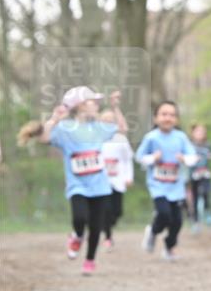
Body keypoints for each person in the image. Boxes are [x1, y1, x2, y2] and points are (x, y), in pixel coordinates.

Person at [20, 87, 127, 275]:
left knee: (95, 227)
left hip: (100, 186)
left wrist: (115, 107)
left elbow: (123, 129)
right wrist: (55, 118)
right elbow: (44, 137)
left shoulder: (98, 128)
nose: (97, 104)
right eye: (92, 101)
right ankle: (77, 236)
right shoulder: (65, 128)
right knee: (80, 218)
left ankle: (90, 260)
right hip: (78, 185)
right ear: (80, 105)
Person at [136, 101, 198, 261]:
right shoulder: (151, 137)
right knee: (164, 214)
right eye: (164, 114)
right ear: (156, 118)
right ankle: (153, 231)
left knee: (177, 221)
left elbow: (193, 156)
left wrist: (184, 158)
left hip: (176, 186)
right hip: (157, 185)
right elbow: (139, 156)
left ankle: (169, 247)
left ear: (176, 119)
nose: (168, 118)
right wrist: (153, 158)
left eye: (172, 115)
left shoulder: (181, 137)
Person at [99, 109, 134, 249]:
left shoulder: (121, 139)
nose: (107, 123)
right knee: (106, 209)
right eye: (104, 121)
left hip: (118, 179)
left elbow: (127, 160)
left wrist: (129, 177)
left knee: (118, 211)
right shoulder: (96, 138)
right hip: (102, 181)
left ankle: (104, 225)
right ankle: (108, 237)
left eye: (110, 121)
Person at [189, 123, 211, 228]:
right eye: (198, 131)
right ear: (193, 133)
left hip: (205, 173)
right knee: (195, 197)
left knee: (205, 193)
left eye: (202, 132)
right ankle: (196, 221)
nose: (200, 133)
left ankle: (207, 212)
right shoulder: (190, 145)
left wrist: (210, 156)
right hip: (194, 174)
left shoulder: (208, 144)